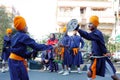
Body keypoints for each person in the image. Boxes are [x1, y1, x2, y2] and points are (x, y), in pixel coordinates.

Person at [75, 15, 120, 80]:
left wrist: (78, 29)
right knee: (89, 73)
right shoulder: (93, 33)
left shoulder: (97, 33)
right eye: (89, 23)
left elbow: (88, 36)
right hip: (96, 58)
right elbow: (93, 43)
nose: (89, 25)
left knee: (113, 76)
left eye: (91, 23)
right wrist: (92, 53)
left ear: (95, 24)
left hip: (103, 58)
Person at [8, 16, 53, 80]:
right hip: (16, 62)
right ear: (22, 27)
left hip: (14, 60)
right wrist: (50, 46)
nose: (27, 27)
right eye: (25, 25)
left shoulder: (15, 36)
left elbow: (19, 51)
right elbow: (36, 46)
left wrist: (31, 53)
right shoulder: (24, 36)